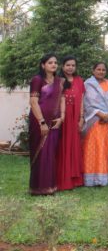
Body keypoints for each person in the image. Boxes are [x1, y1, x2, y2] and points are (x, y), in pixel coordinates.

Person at [29, 54, 65, 195]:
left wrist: (62, 117)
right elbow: (33, 102)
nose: (54, 65)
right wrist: (42, 122)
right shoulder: (37, 80)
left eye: (55, 62)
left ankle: (50, 186)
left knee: (50, 154)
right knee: (41, 153)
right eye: (50, 62)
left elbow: (62, 98)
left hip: (54, 121)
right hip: (39, 122)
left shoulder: (59, 81)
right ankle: (38, 187)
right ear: (43, 65)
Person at [82, 62, 108, 187]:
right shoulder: (88, 84)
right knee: (91, 148)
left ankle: (102, 179)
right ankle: (90, 179)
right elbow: (87, 103)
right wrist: (101, 114)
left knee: (103, 148)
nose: (101, 72)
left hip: (107, 122)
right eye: (98, 69)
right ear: (93, 70)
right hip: (93, 120)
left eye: (103, 70)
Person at [56, 56, 85, 191]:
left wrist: (81, 118)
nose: (70, 67)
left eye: (73, 65)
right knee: (63, 146)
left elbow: (82, 101)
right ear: (62, 66)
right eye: (68, 65)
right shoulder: (58, 81)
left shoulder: (79, 81)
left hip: (75, 119)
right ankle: (63, 179)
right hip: (62, 118)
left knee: (74, 146)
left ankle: (76, 179)